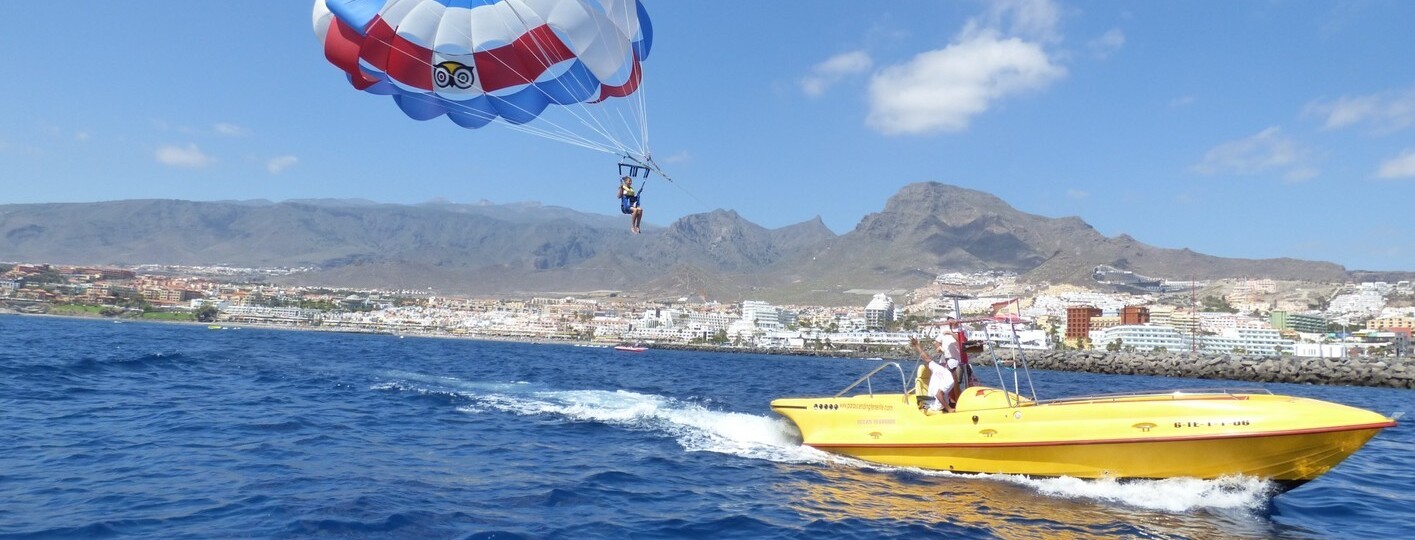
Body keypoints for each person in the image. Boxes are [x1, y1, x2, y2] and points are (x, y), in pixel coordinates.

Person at [911, 328, 961, 413]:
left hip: (929, 401)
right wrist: (949, 409)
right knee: (953, 405)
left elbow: (926, 358)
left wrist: (916, 346)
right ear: (954, 370)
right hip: (937, 407)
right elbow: (939, 395)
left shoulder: (938, 368)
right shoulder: (950, 380)